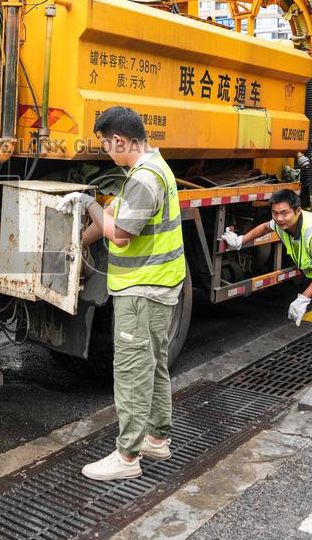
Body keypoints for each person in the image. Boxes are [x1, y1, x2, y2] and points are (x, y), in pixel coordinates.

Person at [60, 106, 185, 481]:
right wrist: (76, 242)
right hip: (159, 284)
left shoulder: (144, 179)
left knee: (131, 369)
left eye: (105, 144)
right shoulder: (150, 170)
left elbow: (120, 233)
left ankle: (126, 457)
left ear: (120, 140)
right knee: (156, 361)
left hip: (143, 288)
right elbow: (117, 219)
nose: (106, 152)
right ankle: (156, 438)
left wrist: (88, 204)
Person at [221, 189, 312, 378]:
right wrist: (240, 240)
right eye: (275, 213)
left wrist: (302, 299)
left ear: (298, 211)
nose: (279, 218)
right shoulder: (282, 223)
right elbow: (264, 228)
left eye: (284, 213)